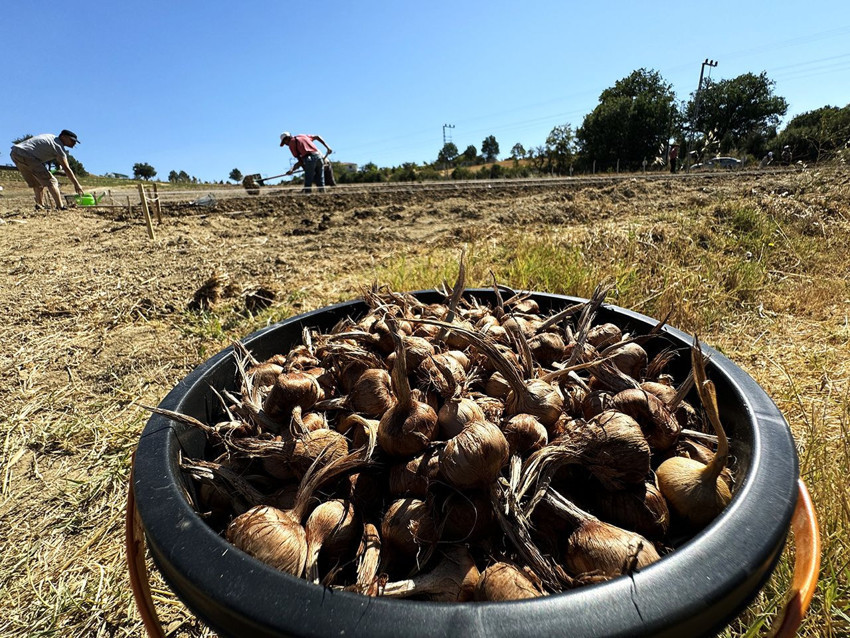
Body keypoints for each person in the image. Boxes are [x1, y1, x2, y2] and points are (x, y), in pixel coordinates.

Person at [10, 130, 84, 210]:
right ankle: (60, 206)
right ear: (63, 137)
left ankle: (40, 205)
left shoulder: (51, 137)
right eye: (72, 140)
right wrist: (76, 184)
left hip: (15, 153)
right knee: (52, 181)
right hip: (27, 155)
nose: (74, 143)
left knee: (37, 183)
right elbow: (66, 168)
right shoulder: (58, 146)